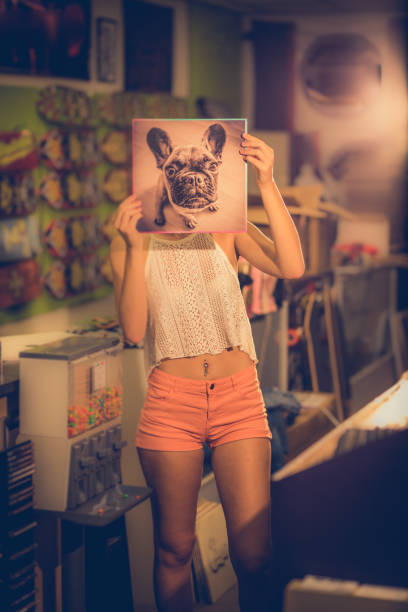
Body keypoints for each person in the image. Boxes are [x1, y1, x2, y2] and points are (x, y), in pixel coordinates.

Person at [110, 133, 305, 612]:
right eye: (173, 170)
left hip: (239, 398)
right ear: (153, 173)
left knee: (255, 556)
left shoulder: (226, 227)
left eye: (201, 169)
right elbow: (134, 331)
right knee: (174, 549)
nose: (189, 178)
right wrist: (134, 250)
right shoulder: (130, 241)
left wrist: (267, 182)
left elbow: (292, 266)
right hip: (171, 405)